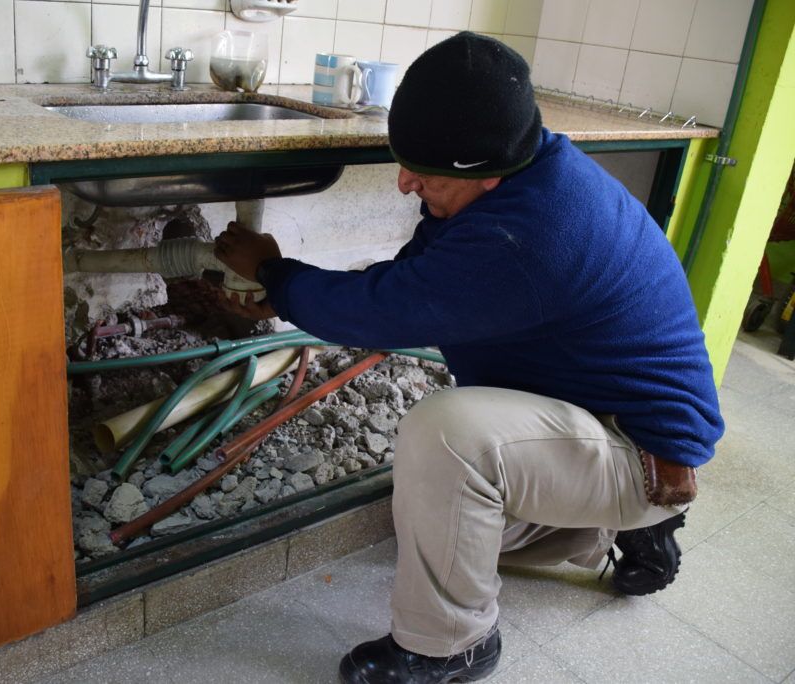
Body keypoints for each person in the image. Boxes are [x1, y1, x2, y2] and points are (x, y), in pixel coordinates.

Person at [213, 32, 724, 684]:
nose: (402, 183)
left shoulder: (529, 235)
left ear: (482, 172)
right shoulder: (526, 170)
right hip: (603, 415)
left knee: (446, 437)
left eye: (420, 173)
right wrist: (286, 294)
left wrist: (276, 273)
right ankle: (607, 532)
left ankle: (450, 646)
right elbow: (421, 278)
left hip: (640, 454)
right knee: (441, 533)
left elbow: (386, 310)